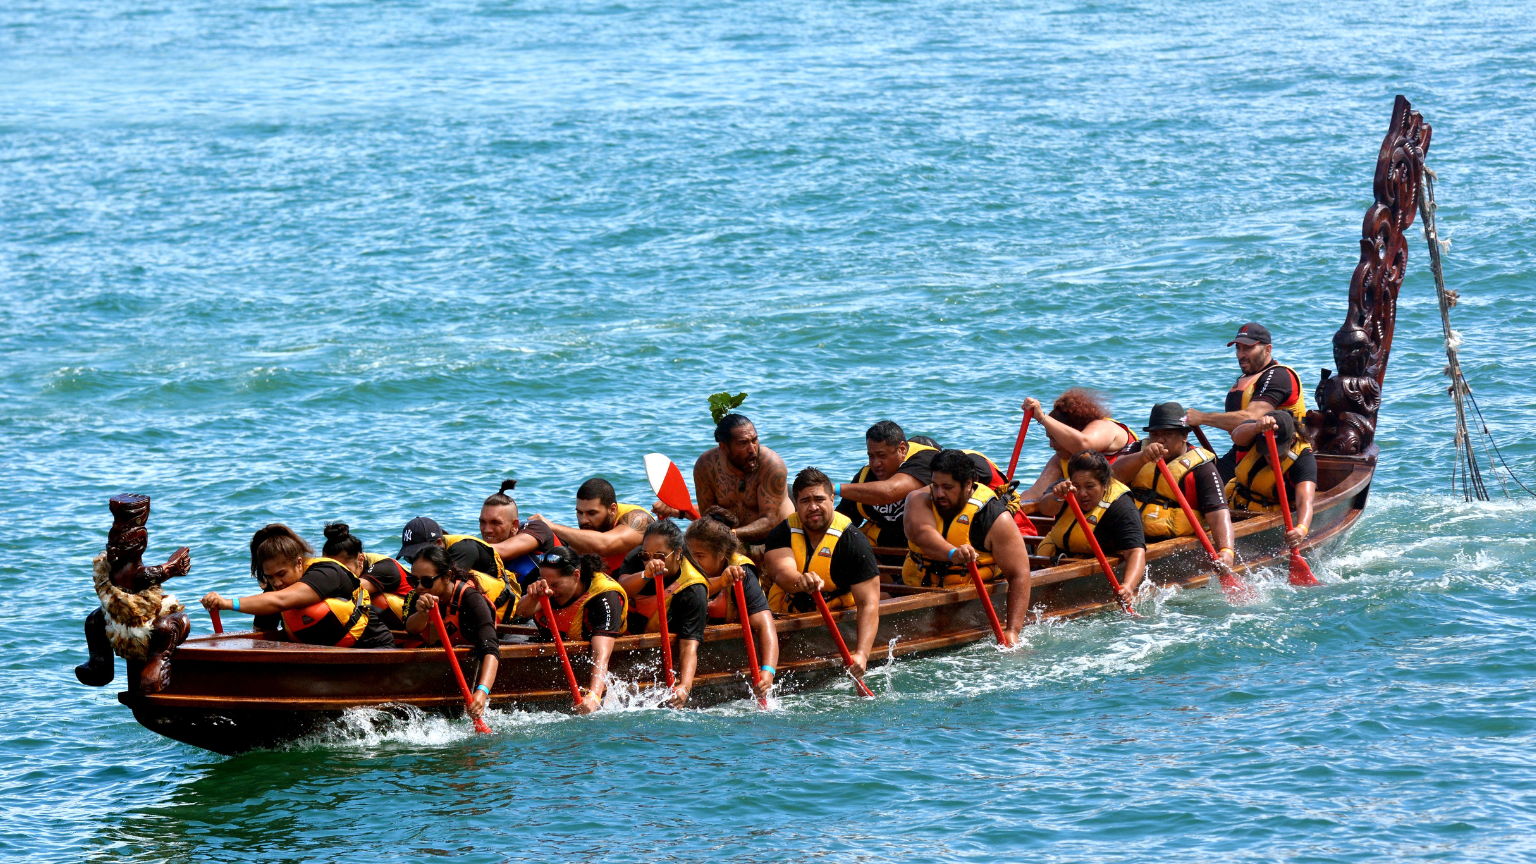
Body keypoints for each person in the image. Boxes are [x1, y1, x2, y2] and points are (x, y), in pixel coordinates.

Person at [902, 450, 1033, 644]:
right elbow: (922, 534)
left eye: (947, 487)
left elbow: (1019, 574)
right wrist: (952, 553)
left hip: (972, 597)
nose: (939, 493)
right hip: (917, 589)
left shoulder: (995, 518)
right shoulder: (918, 499)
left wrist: (1013, 630)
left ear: (968, 485)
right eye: (935, 485)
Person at [763, 468, 882, 679]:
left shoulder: (854, 541)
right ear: (796, 504)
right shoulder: (782, 532)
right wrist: (801, 581)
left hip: (835, 617)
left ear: (832, 499)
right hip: (785, 613)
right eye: (805, 501)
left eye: (819, 499)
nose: (813, 507)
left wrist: (862, 654)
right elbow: (781, 572)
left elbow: (869, 603)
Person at [201, 524, 396, 648]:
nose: (277, 583)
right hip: (323, 658)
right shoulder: (274, 589)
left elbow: (280, 601)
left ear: (299, 563)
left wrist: (227, 603)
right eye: (270, 577)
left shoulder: (326, 573)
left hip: (372, 647)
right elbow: (260, 635)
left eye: (281, 574)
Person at [1111, 403, 1236, 568]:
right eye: (1154, 434)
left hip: (1173, 538)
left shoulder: (1203, 468)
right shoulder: (1137, 450)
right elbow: (1113, 475)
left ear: (1184, 436)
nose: (1160, 440)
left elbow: (1218, 514)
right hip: (1131, 536)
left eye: (1168, 434)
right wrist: (1142, 458)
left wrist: (1226, 551)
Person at [1184, 323, 1311, 482]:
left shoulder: (1279, 376)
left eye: (1247, 348)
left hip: (1278, 454)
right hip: (1245, 451)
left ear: (1268, 350)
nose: (1240, 355)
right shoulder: (1247, 379)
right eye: (1238, 349)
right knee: (1192, 479)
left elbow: (1251, 417)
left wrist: (1203, 418)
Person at [514, 547, 627, 715]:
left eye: (555, 585)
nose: (550, 590)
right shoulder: (548, 586)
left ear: (576, 576)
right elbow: (522, 613)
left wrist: (594, 696)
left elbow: (600, 653)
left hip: (596, 651)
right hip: (555, 649)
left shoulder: (605, 596)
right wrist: (532, 597)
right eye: (545, 582)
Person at [684, 509, 780, 702]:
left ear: (721, 555)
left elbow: (764, 625)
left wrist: (768, 672)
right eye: (689, 554)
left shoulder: (742, 572)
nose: (693, 561)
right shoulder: (683, 565)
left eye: (700, 556)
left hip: (727, 649)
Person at [652, 413, 792, 546]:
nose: (752, 450)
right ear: (724, 447)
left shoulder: (772, 465)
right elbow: (709, 517)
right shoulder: (706, 466)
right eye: (743, 443)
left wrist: (729, 535)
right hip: (731, 540)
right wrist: (678, 510)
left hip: (776, 540)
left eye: (754, 440)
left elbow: (770, 522)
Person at [401, 546, 499, 721]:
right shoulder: (417, 595)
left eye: (427, 581)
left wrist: (482, 691)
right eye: (413, 580)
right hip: (441, 670)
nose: (420, 587)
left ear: (447, 577)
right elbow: (412, 629)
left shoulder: (471, 599)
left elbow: (491, 650)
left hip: (473, 669)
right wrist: (422, 614)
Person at [620, 520, 711, 708]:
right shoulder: (638, 558)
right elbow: (620, 589)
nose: (651, 560)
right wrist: (645, 574)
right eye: (646, 555)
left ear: (678, 553)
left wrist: (685, 686)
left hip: (665, 638)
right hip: (625, 635)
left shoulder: (693, 590)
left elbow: (689, 645)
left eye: (660, 556)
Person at [1038, 451, 1148, 605]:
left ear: (1105, 485)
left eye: (1090, 486)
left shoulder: (1121, 507)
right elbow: (1045, 509)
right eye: (1077, 486)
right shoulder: (1064, 489)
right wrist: (1057, 496)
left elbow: (1135, 551)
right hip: (1056, 560)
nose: (1082, 493)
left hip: (1094, 569)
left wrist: (1128, 586)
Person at [1018, 388, 1138, 518]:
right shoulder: (1060, 459)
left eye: (1055, 438)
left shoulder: (1106, 427)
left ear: (1073, 431)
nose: (1051, 445)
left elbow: (1084, 445)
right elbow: (1035, 492)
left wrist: (1042, 418)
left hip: (1124, 514)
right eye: (1049, 439)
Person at [833, 421, 941, 556]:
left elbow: (889, 492)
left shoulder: (927, 460)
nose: (876, 463)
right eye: (871, 456)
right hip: (883, 554)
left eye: (882, 455)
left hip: (923, 551)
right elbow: (840, 521)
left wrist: (833, 489)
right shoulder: (865, 477)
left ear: (902, 449)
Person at [398, 515, 521, 622]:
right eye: (410, 559)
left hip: (508, 617)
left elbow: (450, 591)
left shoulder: (464, 549)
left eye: (420, 555)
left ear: (439, 543)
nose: (417, 561)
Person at [1225, 410, 1316, 548]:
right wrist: (1256, 427)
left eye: (1277, 452)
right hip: (1234, 502)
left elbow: (1305, 500)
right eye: (1266, 453)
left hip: (1267, 514)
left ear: (1291, 441)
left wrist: (1302, 528)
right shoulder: (1255, 433)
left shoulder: (1304, 460)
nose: (1271, 456)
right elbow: (1236, 436)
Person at [534, 477, 654, 573]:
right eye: (579, 512)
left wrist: (551, 526)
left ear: (612, 509)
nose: (583, 520)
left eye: (592, 513)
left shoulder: (638, 518)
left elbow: (605, 545)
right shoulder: (588, 535)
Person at [474, 480, 561, 587]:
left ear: (514, 525)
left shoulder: (537, 528)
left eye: (495, 522)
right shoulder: (482, 556)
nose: (487, 530)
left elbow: (504, 550)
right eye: (482, 522)